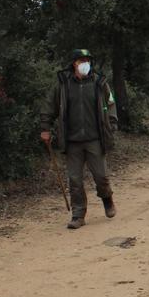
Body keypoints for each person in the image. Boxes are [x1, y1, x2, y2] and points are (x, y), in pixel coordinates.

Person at [40, 49, 118, 230]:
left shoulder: (99, 82)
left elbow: (111, 104)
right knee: (74, 180)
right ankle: (78, 215)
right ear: (74, 63)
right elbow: (49, 106)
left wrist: (112, 125)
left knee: (101, 176)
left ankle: (107, 199)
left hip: (95, 139)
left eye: (87, 60)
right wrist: (45, 128)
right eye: (81, 60)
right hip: (72, 140)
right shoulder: (63, 84)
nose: (85, 64)